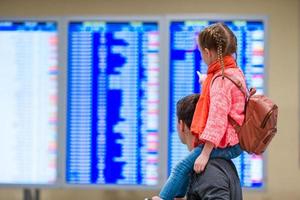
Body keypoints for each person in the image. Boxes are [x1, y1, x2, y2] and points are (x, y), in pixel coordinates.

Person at [152, 22, 247, 200]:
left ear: (207, 52)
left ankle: (163, 198)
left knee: (181, 167)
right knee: (186, 168)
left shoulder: (220, 80)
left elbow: (217, 119)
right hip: (235, 142)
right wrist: (207, 82)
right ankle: (177, 196)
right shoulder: (234, 73)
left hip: (226, 143)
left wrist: (205, 153)